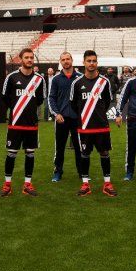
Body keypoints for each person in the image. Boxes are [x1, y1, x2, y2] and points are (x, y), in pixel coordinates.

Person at [70, 50, 117, 197]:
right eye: (89, 61)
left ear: (97, 63)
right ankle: (85, 184)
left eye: (94, 61)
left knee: (104, 153)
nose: (91, 63)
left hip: (101, 126)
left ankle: (107, 183)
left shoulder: (104, 82)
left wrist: (98, 114)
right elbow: (73, 104)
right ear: (83, 62)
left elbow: (108, 102)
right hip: (84, 127)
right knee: (84, 154)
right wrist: (85, 115)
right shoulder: (77, 83)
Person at [0, 48, 47, 196]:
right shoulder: (12, 77)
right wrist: (17, 108)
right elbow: (4, 97)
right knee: (11, 154)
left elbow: (40, 99)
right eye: (26, 57)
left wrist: (29, 109)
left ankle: (27, 184)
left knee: (30, 154)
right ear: (21, 59)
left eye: (31, 57)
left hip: (31, 123)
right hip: (15, 122)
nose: (29, 60)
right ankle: (7, 185)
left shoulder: (39, 79)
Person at [48, 51, 82, 182]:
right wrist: (56, 114)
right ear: (60, 62)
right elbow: (51, 98)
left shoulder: (80, 78)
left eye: (68, 59)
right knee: (60, 147)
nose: (66, 61)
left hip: (77, 119)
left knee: (79, 147)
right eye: (63, 59)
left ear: (72, 60)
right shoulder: (56, 79)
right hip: (61, 118)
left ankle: (82, 172)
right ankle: (58, 171)